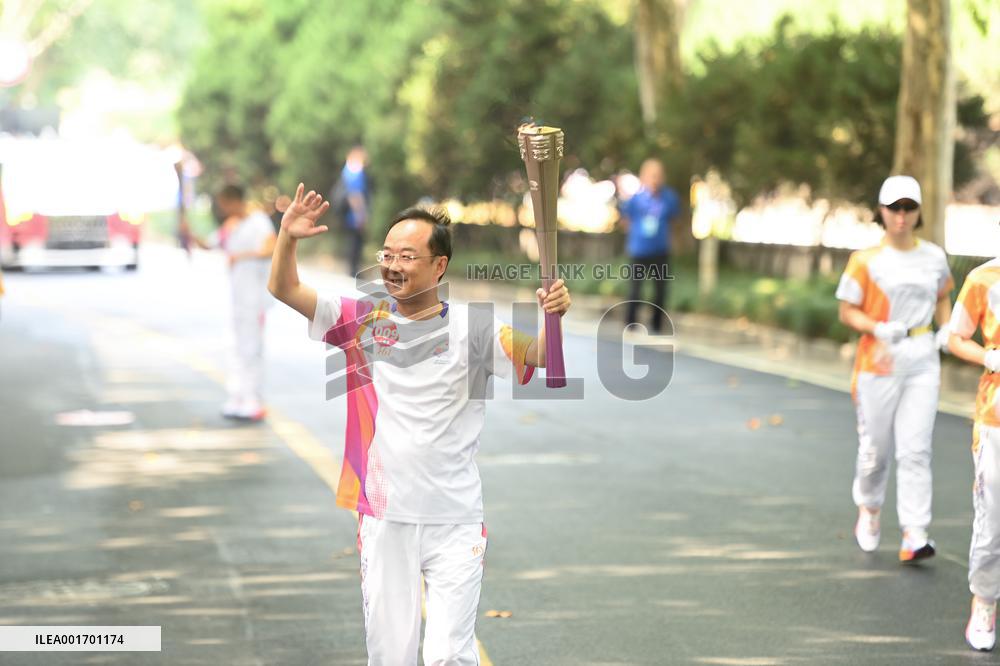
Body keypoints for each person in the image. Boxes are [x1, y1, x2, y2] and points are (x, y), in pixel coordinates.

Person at [268, 184, 571, 665]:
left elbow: (543, 359)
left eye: (407, 256)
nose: (392, 265)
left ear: (439, 266)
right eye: (386, 254)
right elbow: (284, 289)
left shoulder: (476, 329)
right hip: (386, 517)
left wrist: (552, 316)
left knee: (449, 655)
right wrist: (287, 236)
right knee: (392, 656)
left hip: (455, 518)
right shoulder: (362, 321)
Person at [835, 175, 953, 562]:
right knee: (875, 450)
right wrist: (877, 327)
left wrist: (945, 329)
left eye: (909, 208)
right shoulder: (865, 261)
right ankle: (869, 508)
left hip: (921, 359)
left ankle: (914, 533)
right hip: (880, 359)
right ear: (881, 212)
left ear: (918, 213)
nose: (902, 216)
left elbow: (942, 298)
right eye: (894, 208)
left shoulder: (934, 256)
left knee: (916, 449)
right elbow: (846, 311)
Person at [185, 185, 277, 421]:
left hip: (255, 299)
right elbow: (209, 244)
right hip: (237, 299)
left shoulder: (258, 222)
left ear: (234, 200)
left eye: (224, 203)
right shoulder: (231, 225)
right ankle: (238, 397)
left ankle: (254, 400)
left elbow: (270, 248)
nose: (223, 209)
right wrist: (189, 233)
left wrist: (240, 256)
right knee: (235, 348)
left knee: (251, 349)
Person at [948, 257, 1000, 651]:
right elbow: (955, 337)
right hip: (996, 417)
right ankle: (984, 601)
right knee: (993, 519)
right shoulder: (983, 278)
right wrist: (987, 356)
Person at [619, 158, 679, 333]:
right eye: (652, 176)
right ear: (643, 177)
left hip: (660, 251)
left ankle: (657, 325)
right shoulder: (636, 200)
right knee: (635, 290)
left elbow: (675, 220)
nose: (655, 179)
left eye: (658, 176)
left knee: (660, 291)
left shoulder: (669, 197)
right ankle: (630, 323)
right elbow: (625, 220)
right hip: (638, 252)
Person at [330, 145, 370, 278]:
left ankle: (353, 270)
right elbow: (355, 195)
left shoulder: (346, 170)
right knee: (355, 243)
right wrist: (360, 215)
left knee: (353, 242)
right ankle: (354, 271)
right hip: (353, 216)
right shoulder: (355, 171)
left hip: (349, 215)